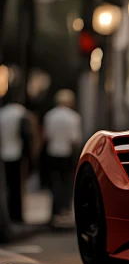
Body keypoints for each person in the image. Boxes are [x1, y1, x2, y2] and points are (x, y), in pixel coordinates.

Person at [43, 89, 82, 227]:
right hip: (67, 153)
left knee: (54, 182)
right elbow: (75, 139)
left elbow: (46, 136)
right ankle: (64, 211)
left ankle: (54, 211)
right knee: (67, 183)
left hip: (52, 152)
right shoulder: (73, 117)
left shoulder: (49, 115)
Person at [0, 93, 33, 222]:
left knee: (7, 186)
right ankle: (17, 215)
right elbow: (26, 136)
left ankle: (8, 214)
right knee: (18, 187)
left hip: (4, 153)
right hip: (18, 153)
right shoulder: (22, 113)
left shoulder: (2, 113)